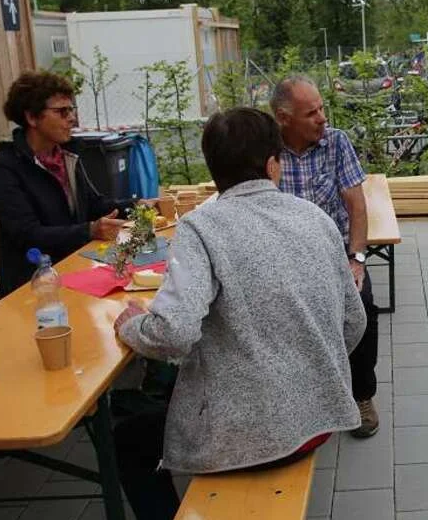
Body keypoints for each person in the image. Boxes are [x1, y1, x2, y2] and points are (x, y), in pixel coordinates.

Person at [113, 107, 366, 520]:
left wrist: (133, 327)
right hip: (321, 419)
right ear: (271, 165)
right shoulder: (315, 218)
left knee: (128, 438)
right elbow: (354, 323)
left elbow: (172, 334)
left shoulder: (200, 227)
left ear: (213, 168)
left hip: (246, 439)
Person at [270, 75, 382, 438]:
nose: (322, 118)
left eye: (322, 108)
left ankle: (361, 396)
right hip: (283, 258)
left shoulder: (336, 143)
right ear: (283, 118)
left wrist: (358, 259)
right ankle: (295, 396)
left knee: (362, 305)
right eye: (311, 113)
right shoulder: (266, 153)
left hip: (335, 255)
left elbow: (356, 206)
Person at [0, 71, 129, 296]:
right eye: (62, 111)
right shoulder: (3, 169)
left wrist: (141, 206)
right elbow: (28, 234)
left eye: (72, 110)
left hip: (77, 270)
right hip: (33, 288)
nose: (71, 118)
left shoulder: (67, 155)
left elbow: (94, 205)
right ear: (32, 118)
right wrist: (89, 230)